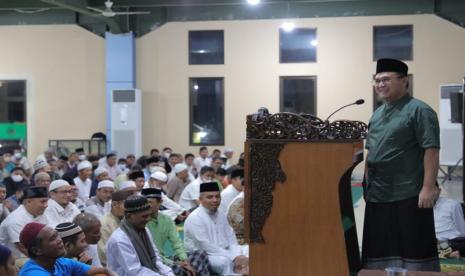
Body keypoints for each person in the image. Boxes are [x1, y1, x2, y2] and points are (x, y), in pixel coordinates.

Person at [362, 58, 441, 271]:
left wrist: (428, 187)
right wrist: (367, 184)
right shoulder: (377, 114)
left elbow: (431, 149)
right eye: (377, 80)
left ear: (404, 80)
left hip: (409, 192)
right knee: (380, 247)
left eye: (386, 79)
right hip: (378, 193)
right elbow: (371, 152)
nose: (380, 84)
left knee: (413, 247)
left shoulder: (419, 111)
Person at [184, 182, 248, 275]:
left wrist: (238, 254)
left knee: (249, 250)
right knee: (224, 262)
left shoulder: (221, 214)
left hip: (225, 250)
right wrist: (234, 257)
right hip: (206, 255)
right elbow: (206, 246)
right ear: (200, 199)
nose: (215, 200)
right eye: (210, 197)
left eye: (217, 196)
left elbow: (231, 237)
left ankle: (245, 270)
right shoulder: (195, 218)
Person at [143, 188, 206, 276]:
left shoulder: (166, 220)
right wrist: (177, 264)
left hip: (165, 259)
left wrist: (185, 261)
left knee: (201, 254)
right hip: (151, 262)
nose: (147, 205)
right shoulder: (141, 221)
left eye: (150, 202)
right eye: (145, 203)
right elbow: (150, 253)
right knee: (180, 269)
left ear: (160, 202)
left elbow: (177, 244)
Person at [106, 195, 174, 275]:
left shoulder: (144, 230)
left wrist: (169, 273)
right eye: (144, 216)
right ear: (129, 216)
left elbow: (156, 259)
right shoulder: (119, 240)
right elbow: (135, 271)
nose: (148, 219)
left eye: (149, 215)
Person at [18, 222, 113, 275]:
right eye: (52, 239)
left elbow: (104, 270)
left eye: (57, 235)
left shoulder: (61, 262)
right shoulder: (33, 273)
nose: (59, 240)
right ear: (36, 250)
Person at [0, 186, 49, 261]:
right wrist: (46, 261)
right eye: (43, 202)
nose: (46, 205)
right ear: (29, 202)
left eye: (47, 201)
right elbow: (23, 247)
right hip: (13, 260)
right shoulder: (15, 219)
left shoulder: (40, 213)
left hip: (34, 254)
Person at [97, 190, 131, 266]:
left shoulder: (127, 220)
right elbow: (103, 251)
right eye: (126, 206)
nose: (128, 209)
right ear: (115, 205)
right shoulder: (104, 223)